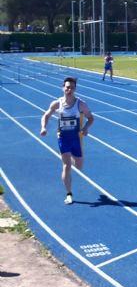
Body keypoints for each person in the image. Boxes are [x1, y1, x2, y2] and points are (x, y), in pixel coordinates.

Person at [40, 77, 94, 205]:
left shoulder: (81, 104)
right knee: (66, 166)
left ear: (75, 89)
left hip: (76, 138)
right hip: (63, 138)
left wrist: (86, 128)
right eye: (67, 87)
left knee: (79, 166)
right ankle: (69, 193)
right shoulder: (57, 103)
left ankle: (73, 158)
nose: (69, 89)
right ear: (63, 87)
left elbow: (91, 118)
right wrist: (43, 127)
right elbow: (46, 115)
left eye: (72, 87)